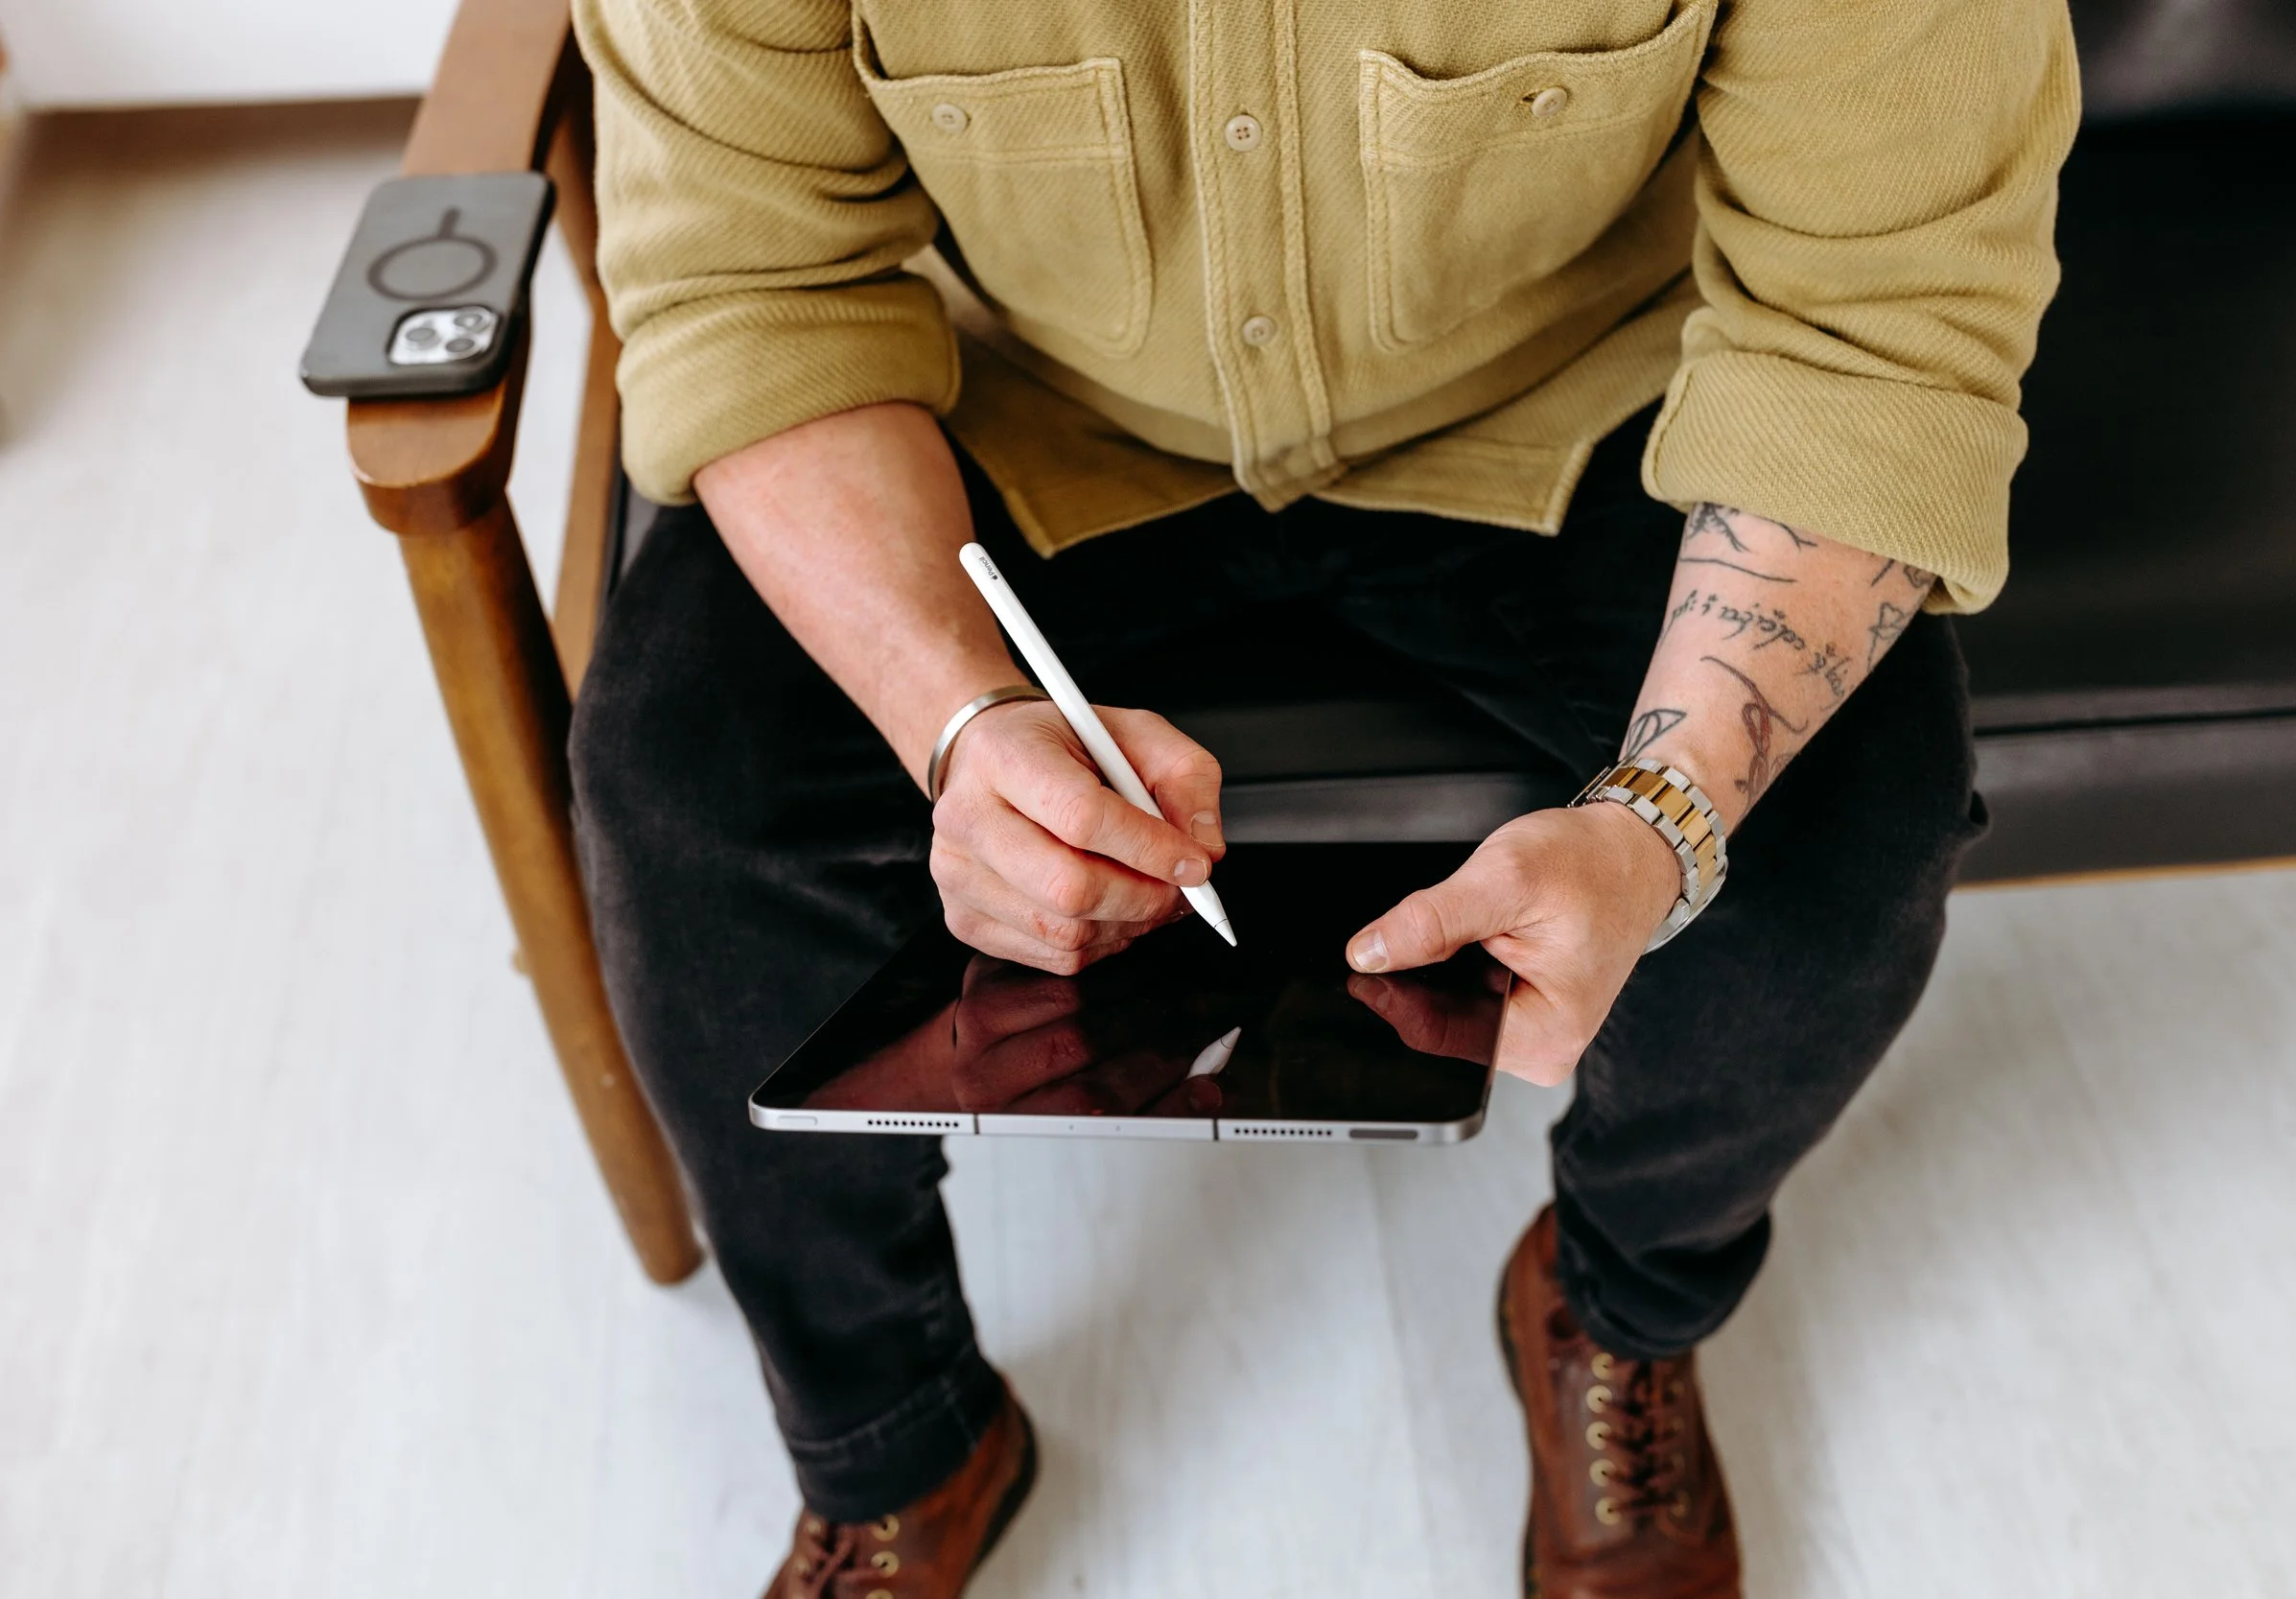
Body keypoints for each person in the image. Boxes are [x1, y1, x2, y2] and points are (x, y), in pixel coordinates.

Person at [564, 2, 2076, 1593]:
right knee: (684, 800)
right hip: (1014, 399)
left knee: (1843, 828)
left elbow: (1876, 323)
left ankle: (1620, 1301)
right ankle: (897, 1434)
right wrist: (955, 718)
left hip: (1577, 396)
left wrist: (1665, 819)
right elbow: (757, 279)